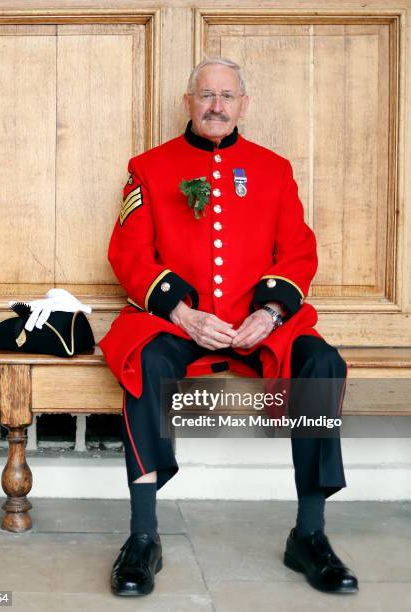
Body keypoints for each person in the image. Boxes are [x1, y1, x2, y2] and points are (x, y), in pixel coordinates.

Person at [99, 57, 358, 597]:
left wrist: (269, 314)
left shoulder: (273, 168)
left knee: (321, 364)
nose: (216, 106)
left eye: (227, 96)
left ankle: (309, 534)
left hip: (257, 325)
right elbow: (129, 253)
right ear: (188, 103)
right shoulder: (148, 167)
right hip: (178, 323)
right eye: (206, 96)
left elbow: (298, 253)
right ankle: (143, 537)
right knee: (145, 362)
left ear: (243, 104)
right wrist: (182, 313)